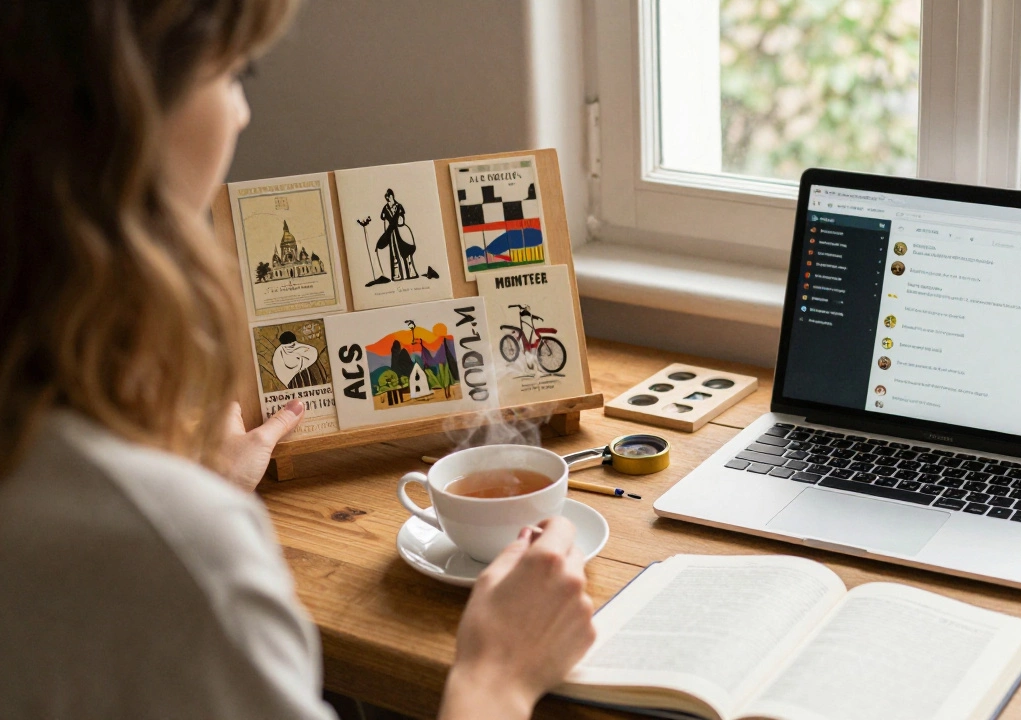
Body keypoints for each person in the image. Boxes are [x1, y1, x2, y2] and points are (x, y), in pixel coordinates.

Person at [0, 1, 595, 719]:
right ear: (125, 116)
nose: (243, 115)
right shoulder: (180, 560)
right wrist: (497, 675)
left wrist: (186, 492)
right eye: (233, 72)